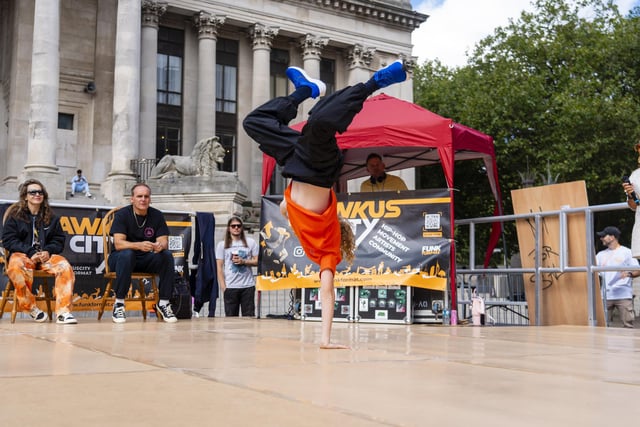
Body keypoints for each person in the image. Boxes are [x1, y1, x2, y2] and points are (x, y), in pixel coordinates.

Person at [243, 59, 407, 348]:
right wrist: (326, 339)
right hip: (319, 169)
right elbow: (327, 294)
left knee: (254, 123)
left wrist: (288, 204)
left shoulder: (295, 219)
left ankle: (304, 90)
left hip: (295, 161)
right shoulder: (328, 254)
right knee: (319, 122)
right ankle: (375, 82)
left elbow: (285, 206)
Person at [1, 179, 77, 323]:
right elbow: (9, 240)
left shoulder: (52, 218)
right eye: (33, 192)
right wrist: (30, 252)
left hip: (45, 258)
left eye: (40, 192)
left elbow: (59, 240)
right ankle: (31, 308)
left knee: (64, 266)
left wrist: (48, 251)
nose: (37, 194)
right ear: (25, 196)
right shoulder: (15, 216)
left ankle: (63, 312)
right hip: (23, 255)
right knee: (15, 266)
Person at [108, 183, 177, 323]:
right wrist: (138, 245)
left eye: (146, 196)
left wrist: (159, 246)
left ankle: (163, 303)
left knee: (167, 256)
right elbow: (118, 243)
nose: (143, 199)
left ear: (150, 199)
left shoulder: (156, 215)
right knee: (128, 254)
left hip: (145, 259)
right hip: (120, 258)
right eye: (139, 196)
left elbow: (164, 241)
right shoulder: (122, 214)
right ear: (132, 199)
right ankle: (119, 303)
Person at [595, 226, 638, 328]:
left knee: (628, 326)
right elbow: (593, 272)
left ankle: (627, 344)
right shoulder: (600, 255)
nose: (601, 238)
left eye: (603, 236)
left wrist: (629, 274)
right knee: (602, 326)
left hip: (623, 295)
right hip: (605, 296)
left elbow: (638, 270)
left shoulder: (627, 252)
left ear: (612, 237)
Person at [216, 216, 259, 317]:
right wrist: (223, 287)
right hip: (230, 287)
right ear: (229, 228)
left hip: (247, 286)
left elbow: (257, 261)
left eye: (238, 226)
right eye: (233, 226)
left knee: (249, 318)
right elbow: (219, 267)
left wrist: (244, 261)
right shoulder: (222, 245)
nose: (236, 228)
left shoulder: (250, 242)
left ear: (242, 228)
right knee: (231, 320)